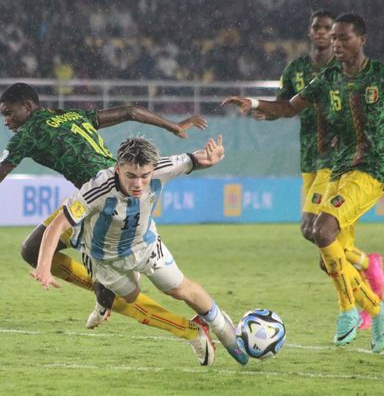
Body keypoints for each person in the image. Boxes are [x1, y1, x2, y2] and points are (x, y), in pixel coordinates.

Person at [0, 83, 224, 352]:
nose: (5, 120)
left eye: (9, 112)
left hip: (98, 203)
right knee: (32, 250)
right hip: (106, 192)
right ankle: (105, 297)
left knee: (105, 285)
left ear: (28, 107)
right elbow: (129, 110)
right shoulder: (70, 115)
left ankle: (187, 331)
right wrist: (174, 126)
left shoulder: (27, 134)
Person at [222, 13, 384, 352]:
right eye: (334, 39)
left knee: (322, 231)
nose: (337, 44)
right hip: (339, 167)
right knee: (326, 254)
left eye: (344, 38)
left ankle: (347, 310)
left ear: (362, 39)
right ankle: (376, 311)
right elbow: (290, 106)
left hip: (372, 169)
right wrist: (255, 103)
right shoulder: (328, 77)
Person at [32, 135, 247, 365]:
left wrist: (210, 158)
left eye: (145, 176)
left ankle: (225, 331)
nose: (138, 184)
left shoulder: (163, 168)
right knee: (131, 295)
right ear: (117, 169)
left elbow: (193, 159)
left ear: (152, 169)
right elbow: (57, 226)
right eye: (131, 176)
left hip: (145, 245)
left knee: (179, 288)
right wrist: (44, 266)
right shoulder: (96, 189)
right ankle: (103, 300)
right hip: (106, 258)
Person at [257, 9, 384, 330]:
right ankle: (369, 279)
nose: (324, 34)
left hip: (338, 161)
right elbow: (286, 105)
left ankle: (364, 304)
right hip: (309, 159)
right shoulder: (297, 70)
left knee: (322, 237)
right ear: (310, 30)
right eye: (318, 27)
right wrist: (261, 109)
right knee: (316, 237)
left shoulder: (344, 70)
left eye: (332, 30)